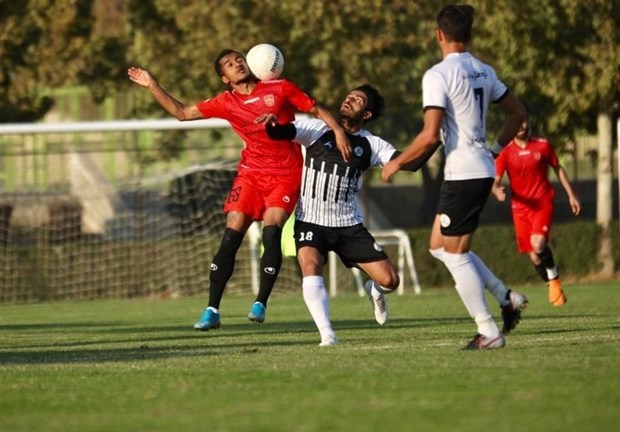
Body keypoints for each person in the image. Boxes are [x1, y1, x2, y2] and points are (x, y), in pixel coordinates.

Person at [128, 49, 351, 331]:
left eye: (238, 59)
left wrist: (339, 131)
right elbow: (182, 113)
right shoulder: (226, 102)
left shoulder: (279, 88)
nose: (237, 64)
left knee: (272, 232)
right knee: (231, 235)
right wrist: (152, 84)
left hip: (285, 174)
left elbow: (315, 109)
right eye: (229, 64)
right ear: (225, 78)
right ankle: (212, 310)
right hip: (251, 174)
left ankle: (260, 303)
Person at [382, 4, 528, 350]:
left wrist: (397, 163)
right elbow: (518, 114)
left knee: (457, 253)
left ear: (439, 35)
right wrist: (493, 150)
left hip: (463, 172)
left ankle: (489, 331)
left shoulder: (438, 74)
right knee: (438, 247)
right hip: (477, 167)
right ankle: (505, 296)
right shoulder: (483, 70)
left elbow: (430, 134)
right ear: (470, 35)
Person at [266, 85, 439, 346]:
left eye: (357, 100)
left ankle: (374, 290)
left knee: (390, 280)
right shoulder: (317, 129)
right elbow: (280, 132)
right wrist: (270, 122)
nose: (348, 99)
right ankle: (328, 335)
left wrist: (435, 140)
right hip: (310, 220)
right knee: (311, 266)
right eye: (349, 96)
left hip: (348, 225)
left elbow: (409, 163)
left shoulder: (372, 144)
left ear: (366, 114)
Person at [492, 118, 581, 306]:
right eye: (517, 122)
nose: (521, 126)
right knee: (533, 255)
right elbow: (496, 179)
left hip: (542, 203)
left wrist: (571, 195)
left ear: (528, 124)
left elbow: (558, 168)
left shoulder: (542, 146)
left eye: (523, 122)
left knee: (538, 243)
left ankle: (554, 281)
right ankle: (552, 285)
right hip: (520, 209)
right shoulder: (506, 152)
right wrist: (496, 189)